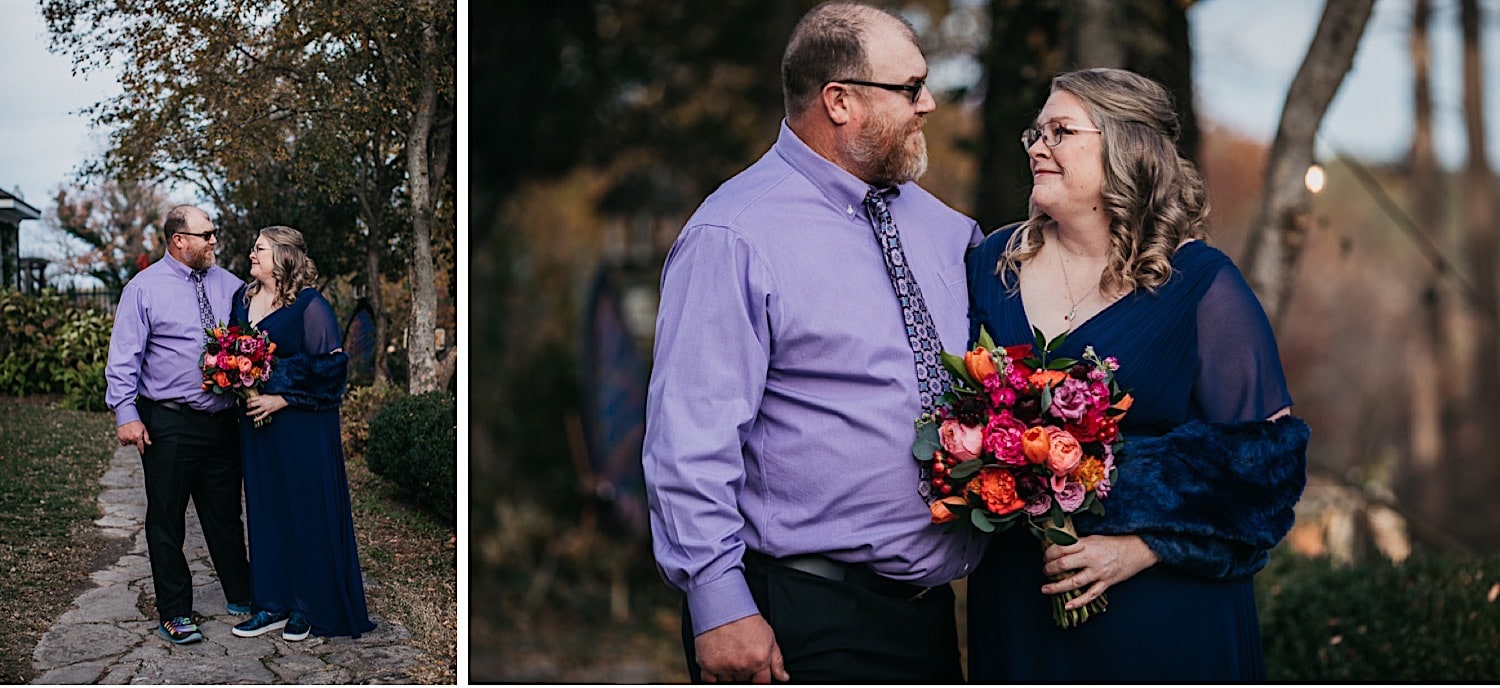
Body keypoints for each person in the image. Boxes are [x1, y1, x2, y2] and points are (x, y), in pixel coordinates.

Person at [642, 1, 985, 682]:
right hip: (803, 612)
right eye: (911, 87)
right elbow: (690, 434)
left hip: (928, 616)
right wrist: (718, 602)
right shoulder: (736, 234)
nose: (930, 104)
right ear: (839, 101)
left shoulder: (949, 231)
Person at [964, 67, 1309, 681]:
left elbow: (1267, 470)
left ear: (1126, 149)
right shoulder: (992, 265)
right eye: (1034, 134)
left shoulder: (1200, 285)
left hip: (1162, 611)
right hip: (1022, 602)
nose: (1038, 147)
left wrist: (1140, 548)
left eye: (1060, 131)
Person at [105, 204, 253, 645]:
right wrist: (126, 414)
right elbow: (124, 356)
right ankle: (174, 610)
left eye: (214, 234)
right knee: (166, 518)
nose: (213, 242)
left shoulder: (233, 287)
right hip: (169, 422)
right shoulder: (143, 289)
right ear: (178, 241)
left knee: (226, 515)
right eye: (206, 235)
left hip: (224, 421)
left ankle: (242, 595)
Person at [226, 225, 375, 642]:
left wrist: (281, 397)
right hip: (257, 425)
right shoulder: (243, 299)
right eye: (253, 247)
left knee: (303, 508)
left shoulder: (310, 305)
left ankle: (306, 605)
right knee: (266, 507)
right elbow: (237, 355)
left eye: (260, 249)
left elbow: (331, 370)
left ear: (283, 257)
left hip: (300, 424)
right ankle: (271, 602)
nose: (251, 254)